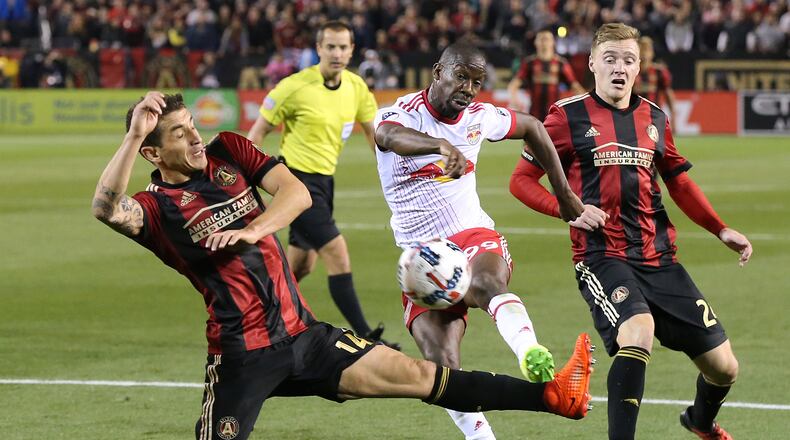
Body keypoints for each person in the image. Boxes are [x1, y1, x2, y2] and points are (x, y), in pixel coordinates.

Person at [91, 91, 595, 440]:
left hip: (305, 337)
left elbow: (297, 195)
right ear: (154, 153)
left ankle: (554, 398)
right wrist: (135, 135)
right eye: (179, 135)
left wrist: (253, 229)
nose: (196, 138)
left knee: (424, 376)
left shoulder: (228, 149)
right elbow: (106, 209)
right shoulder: (156, 210)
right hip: (243, 356)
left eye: (192, 125)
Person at [510, 23, 753, 440]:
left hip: (660, 258)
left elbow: (678, 180)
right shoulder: (565, 116)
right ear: (592, 64)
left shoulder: (653, 117)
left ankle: (699, 420)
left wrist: (720, 229)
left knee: (725, 367)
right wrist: (566, 209)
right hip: (601, 257)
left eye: (628, 60)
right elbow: (521, 180)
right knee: (639, 331)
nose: (619, 67)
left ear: (639, 66)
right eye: (610, 59)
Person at [373, 42, 599, 440]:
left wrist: (563, 192)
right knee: (441, 371)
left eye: (477, 82)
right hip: (422, 258)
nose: (469, 89)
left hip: (471, 234)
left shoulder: (479, 116)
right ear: (437, 70)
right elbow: (389, 136)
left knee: (484, 283)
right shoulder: (400, 113)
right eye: (461, 76)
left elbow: (531, 125)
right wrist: (439, 146)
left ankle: (530, 352)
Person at [247, 21, 394, 348]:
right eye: (330, 47)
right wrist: (251, 183)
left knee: (301, 266)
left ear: (352, 50)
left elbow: (373, 134)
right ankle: (367, 337)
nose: (337, 53)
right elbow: (255, 136)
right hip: (295, 183)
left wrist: (392, 176)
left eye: (343, 47)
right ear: (319, 48)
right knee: (336, 253)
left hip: (324, 183)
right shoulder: (294, 87)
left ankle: (255, 316)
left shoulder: (356, 88)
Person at [507, 30, 586, 122]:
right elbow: (513, 85)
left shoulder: (561, 63)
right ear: (535, 42)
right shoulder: (529, 63)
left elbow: (575, 86)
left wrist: (584, 104)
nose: (544, 42)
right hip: (534, 114)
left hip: (554, 114)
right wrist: (514, 101)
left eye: (547, 39)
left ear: (553, 42)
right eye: (541, 39)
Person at [634, 36, 677, 129]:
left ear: (652, 53)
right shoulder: (631, 71)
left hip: (654, 116)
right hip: (633, 117)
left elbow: (668, 93)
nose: (644, 53)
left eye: (647, 49)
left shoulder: (660, 72)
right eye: (642, 49)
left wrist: (673, 116)